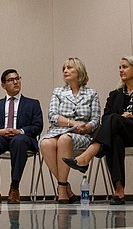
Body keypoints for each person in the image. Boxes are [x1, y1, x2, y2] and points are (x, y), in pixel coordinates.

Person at [62, 56, 133, 205]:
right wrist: (121, 119)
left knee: (114, 119)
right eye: (119, 67)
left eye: (125, 67)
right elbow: (105, 118)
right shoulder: (115, 95)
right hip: (120, 134)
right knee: (114, 138)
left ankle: (87, 156)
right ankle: (119, 191)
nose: (121, 70)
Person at [40, 57, 100, 204]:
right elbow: (52, 116)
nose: (65, 71)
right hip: (57, 130)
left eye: (69, 68)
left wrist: (87, 127)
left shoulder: (92, 93)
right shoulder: (58, 92)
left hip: (82, 135)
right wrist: (73, 123)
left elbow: (96, 119)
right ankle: (64, 186)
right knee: (45, 144)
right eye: (64, 69)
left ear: (79, 71)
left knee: (65, 139)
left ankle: (62, 190)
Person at [0, 69, 43, 204]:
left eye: (17, 78)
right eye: (11, 80)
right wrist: (0, 131)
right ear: (3, 85)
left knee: (19, 141)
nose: (16, 82)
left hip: (23, 138)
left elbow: (38, 126)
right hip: (2, 138)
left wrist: (19, 131)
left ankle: (14, 188)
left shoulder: (33, 104)